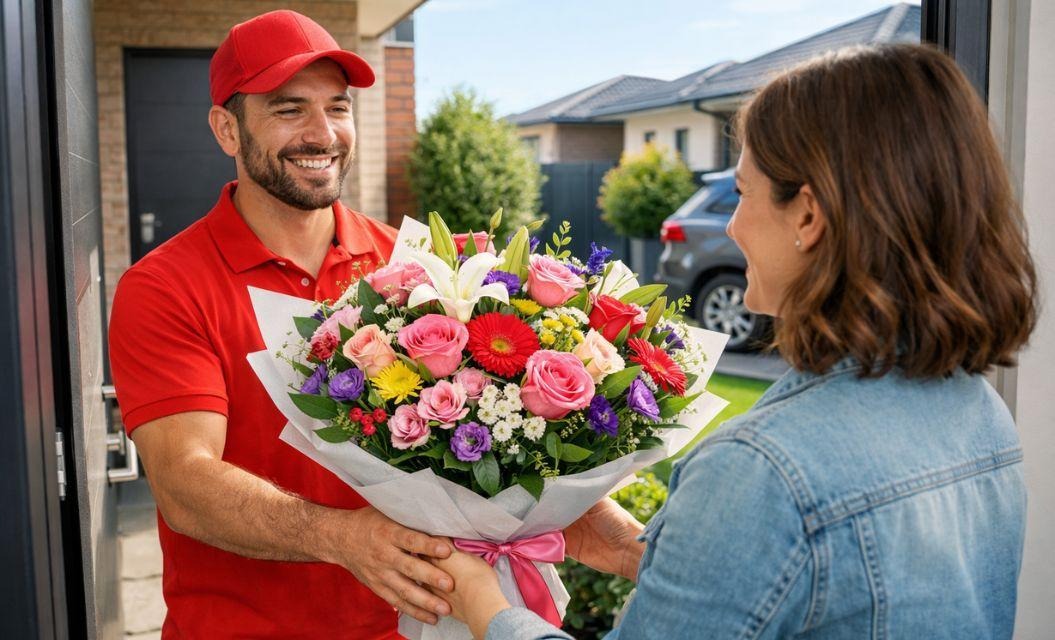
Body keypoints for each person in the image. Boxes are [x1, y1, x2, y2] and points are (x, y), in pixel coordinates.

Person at [428, 43, 1038, 640]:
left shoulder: (762, 470)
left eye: (742, 194)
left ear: (808, 216)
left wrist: (484, 605)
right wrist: (645, 554)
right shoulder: (978, 413)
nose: (731, 224)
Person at [108, 10, 454, 639]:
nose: (323, 133)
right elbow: (185, 483)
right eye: (289, 109)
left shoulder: (410, 264)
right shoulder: (164, 287)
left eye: (338, 107)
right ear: (227, 130)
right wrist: (342, 538)